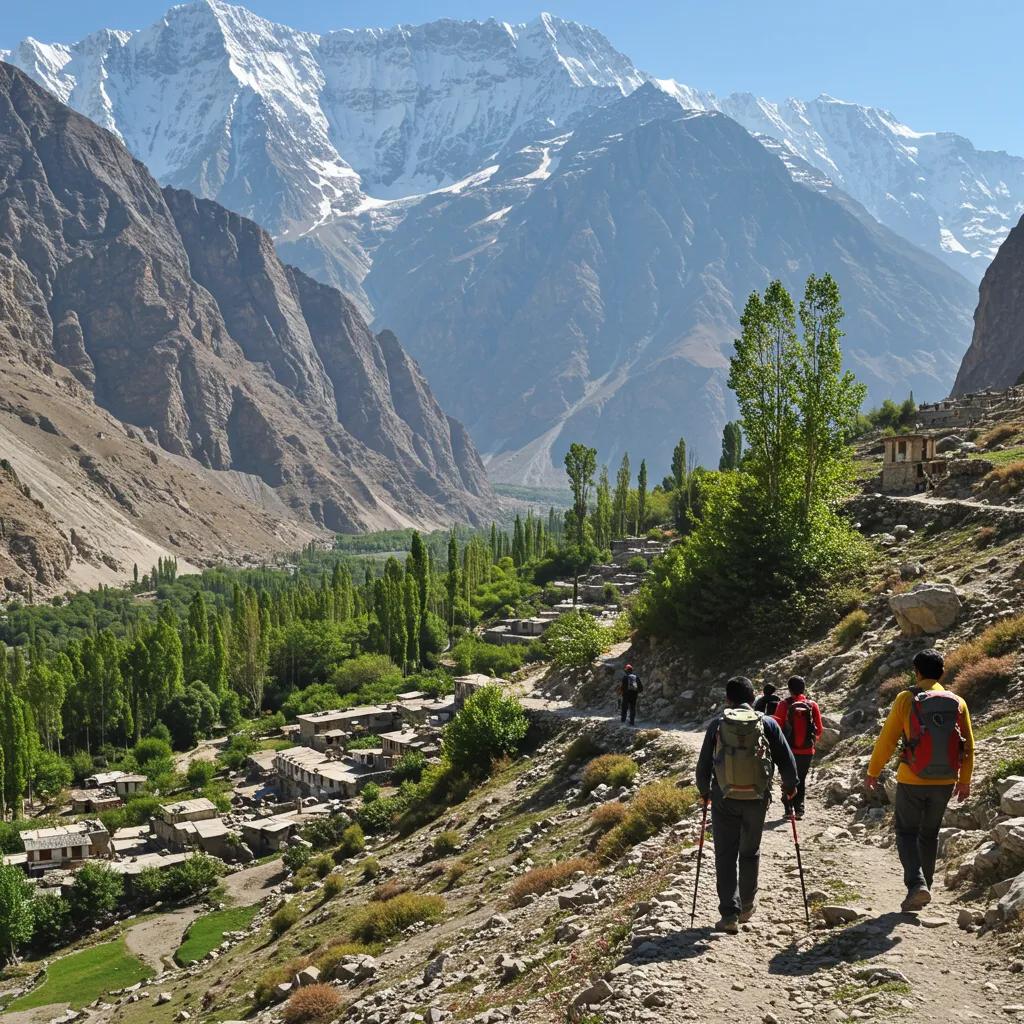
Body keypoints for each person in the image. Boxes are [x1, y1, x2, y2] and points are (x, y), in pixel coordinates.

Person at [866, 648, 974, 913]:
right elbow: (968, 745)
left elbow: (888, 739)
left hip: (912, 777)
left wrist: (873, 771)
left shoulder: (907, 698)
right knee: (929, 834)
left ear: (916, 672)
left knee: (905, 832)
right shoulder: (958, 701)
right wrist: (965, 780)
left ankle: (917, 885)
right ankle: (926, 886)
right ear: (942, 673)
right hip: (946, 780)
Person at [696, 676, 799, 933]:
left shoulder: (718, 725)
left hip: (724, 798)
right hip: (757, 798)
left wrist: (704, 791)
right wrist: (791, 786)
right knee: (749, 851)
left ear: (728, 699)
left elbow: (704, 764)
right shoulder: (767, 723)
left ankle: (729, 914)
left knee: (725, 854)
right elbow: (786, 760)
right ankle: (747, 905)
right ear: (753, 698)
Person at [772, 676, 823, 820]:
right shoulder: (812, 705)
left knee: (788, 778)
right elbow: (819, 729)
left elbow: (776, 728)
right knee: (801, 778)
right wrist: (812, 741)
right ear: (804, 688)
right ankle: (799, 809)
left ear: (789, 689)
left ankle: (788, 809)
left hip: (788, 750)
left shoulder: (784, 704)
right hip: (807, 751)